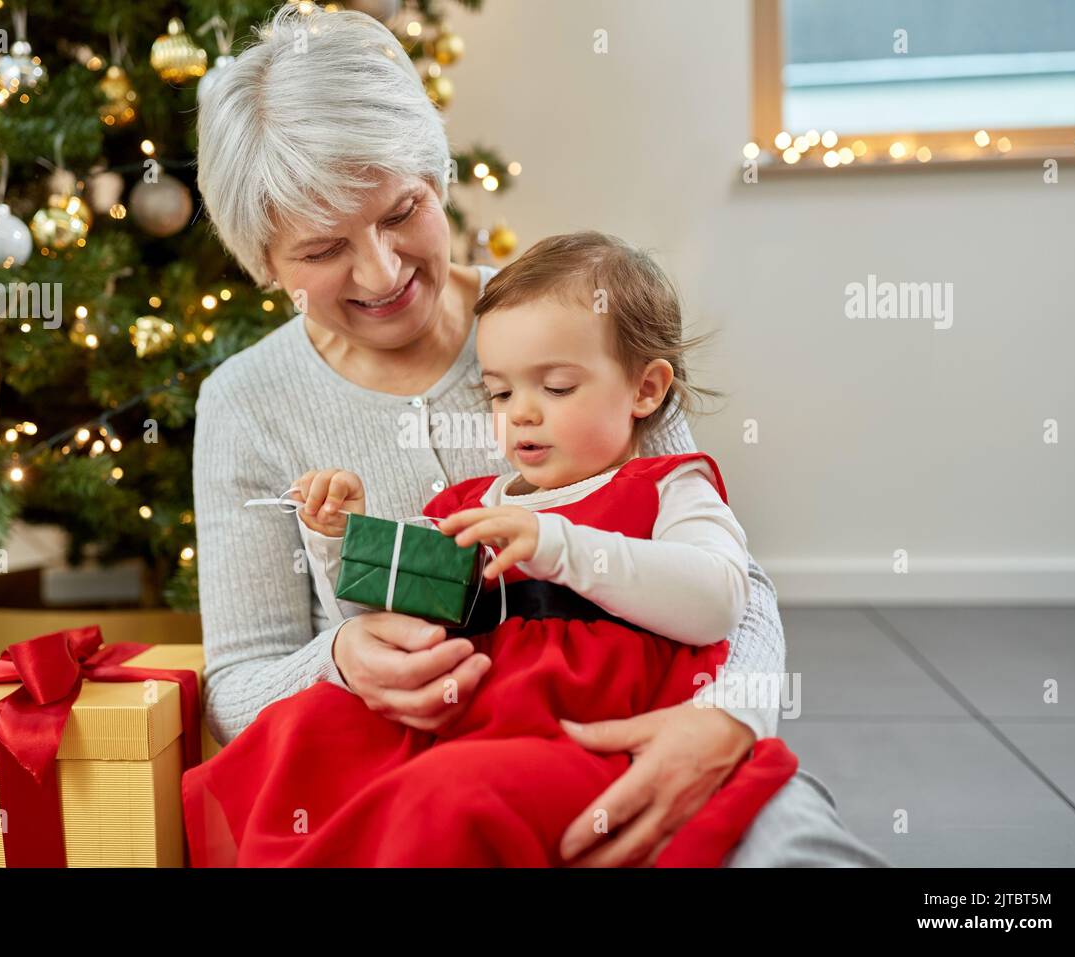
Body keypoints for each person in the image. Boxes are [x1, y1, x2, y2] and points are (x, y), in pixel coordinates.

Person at [192, 1, 887, 866]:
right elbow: (238, 681)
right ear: (264, 260)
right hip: (431, 782)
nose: (381, 270)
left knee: (792, 849)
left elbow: (730, 583)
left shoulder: (568, 325)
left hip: (656, 723)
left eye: (402, 210)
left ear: (437, 176)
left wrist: (723, 720)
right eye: (323, 248)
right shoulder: (245, 403)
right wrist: (338, 657)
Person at [182, 231, 802, 866]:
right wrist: (341, 541)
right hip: (469, 717)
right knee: (307, 730)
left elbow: (720, 599)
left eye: (557, 388)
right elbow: (394, 622)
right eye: (501, 394)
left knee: (446, 797)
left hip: (582, 734)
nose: (522, 414)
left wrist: (558, 544)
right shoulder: (473, 503)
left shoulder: (666, 484)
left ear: (646, 391)